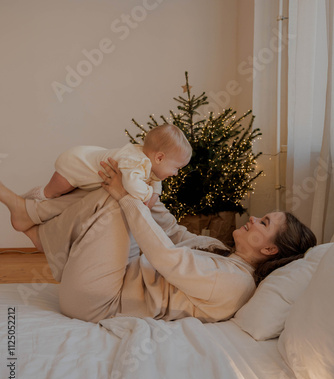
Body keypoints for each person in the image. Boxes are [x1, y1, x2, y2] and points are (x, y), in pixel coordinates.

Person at [0, 160, 316, 324]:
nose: (253, 218)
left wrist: (128, 195)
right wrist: (148, 182)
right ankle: (31, 222)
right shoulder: (221, 252)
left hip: (98, 302)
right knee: (119, 185)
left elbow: (166, 256)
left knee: (117, 199)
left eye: (263, 223)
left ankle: (31, 220)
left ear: (270, 248)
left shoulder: (234, 283)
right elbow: (173, 232)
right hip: (119, 275)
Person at [22, 124, 192, 210]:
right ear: (160, 158)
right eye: (176, 168)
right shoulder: (135, 162)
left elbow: (154, 181)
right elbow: (135, 189)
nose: (176, 173)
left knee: (65, 197)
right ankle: (25, 199)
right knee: (51, 193)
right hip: (75, 164)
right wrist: (150, 192)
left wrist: (156, 185)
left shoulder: (146, 161)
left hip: (86, 160)